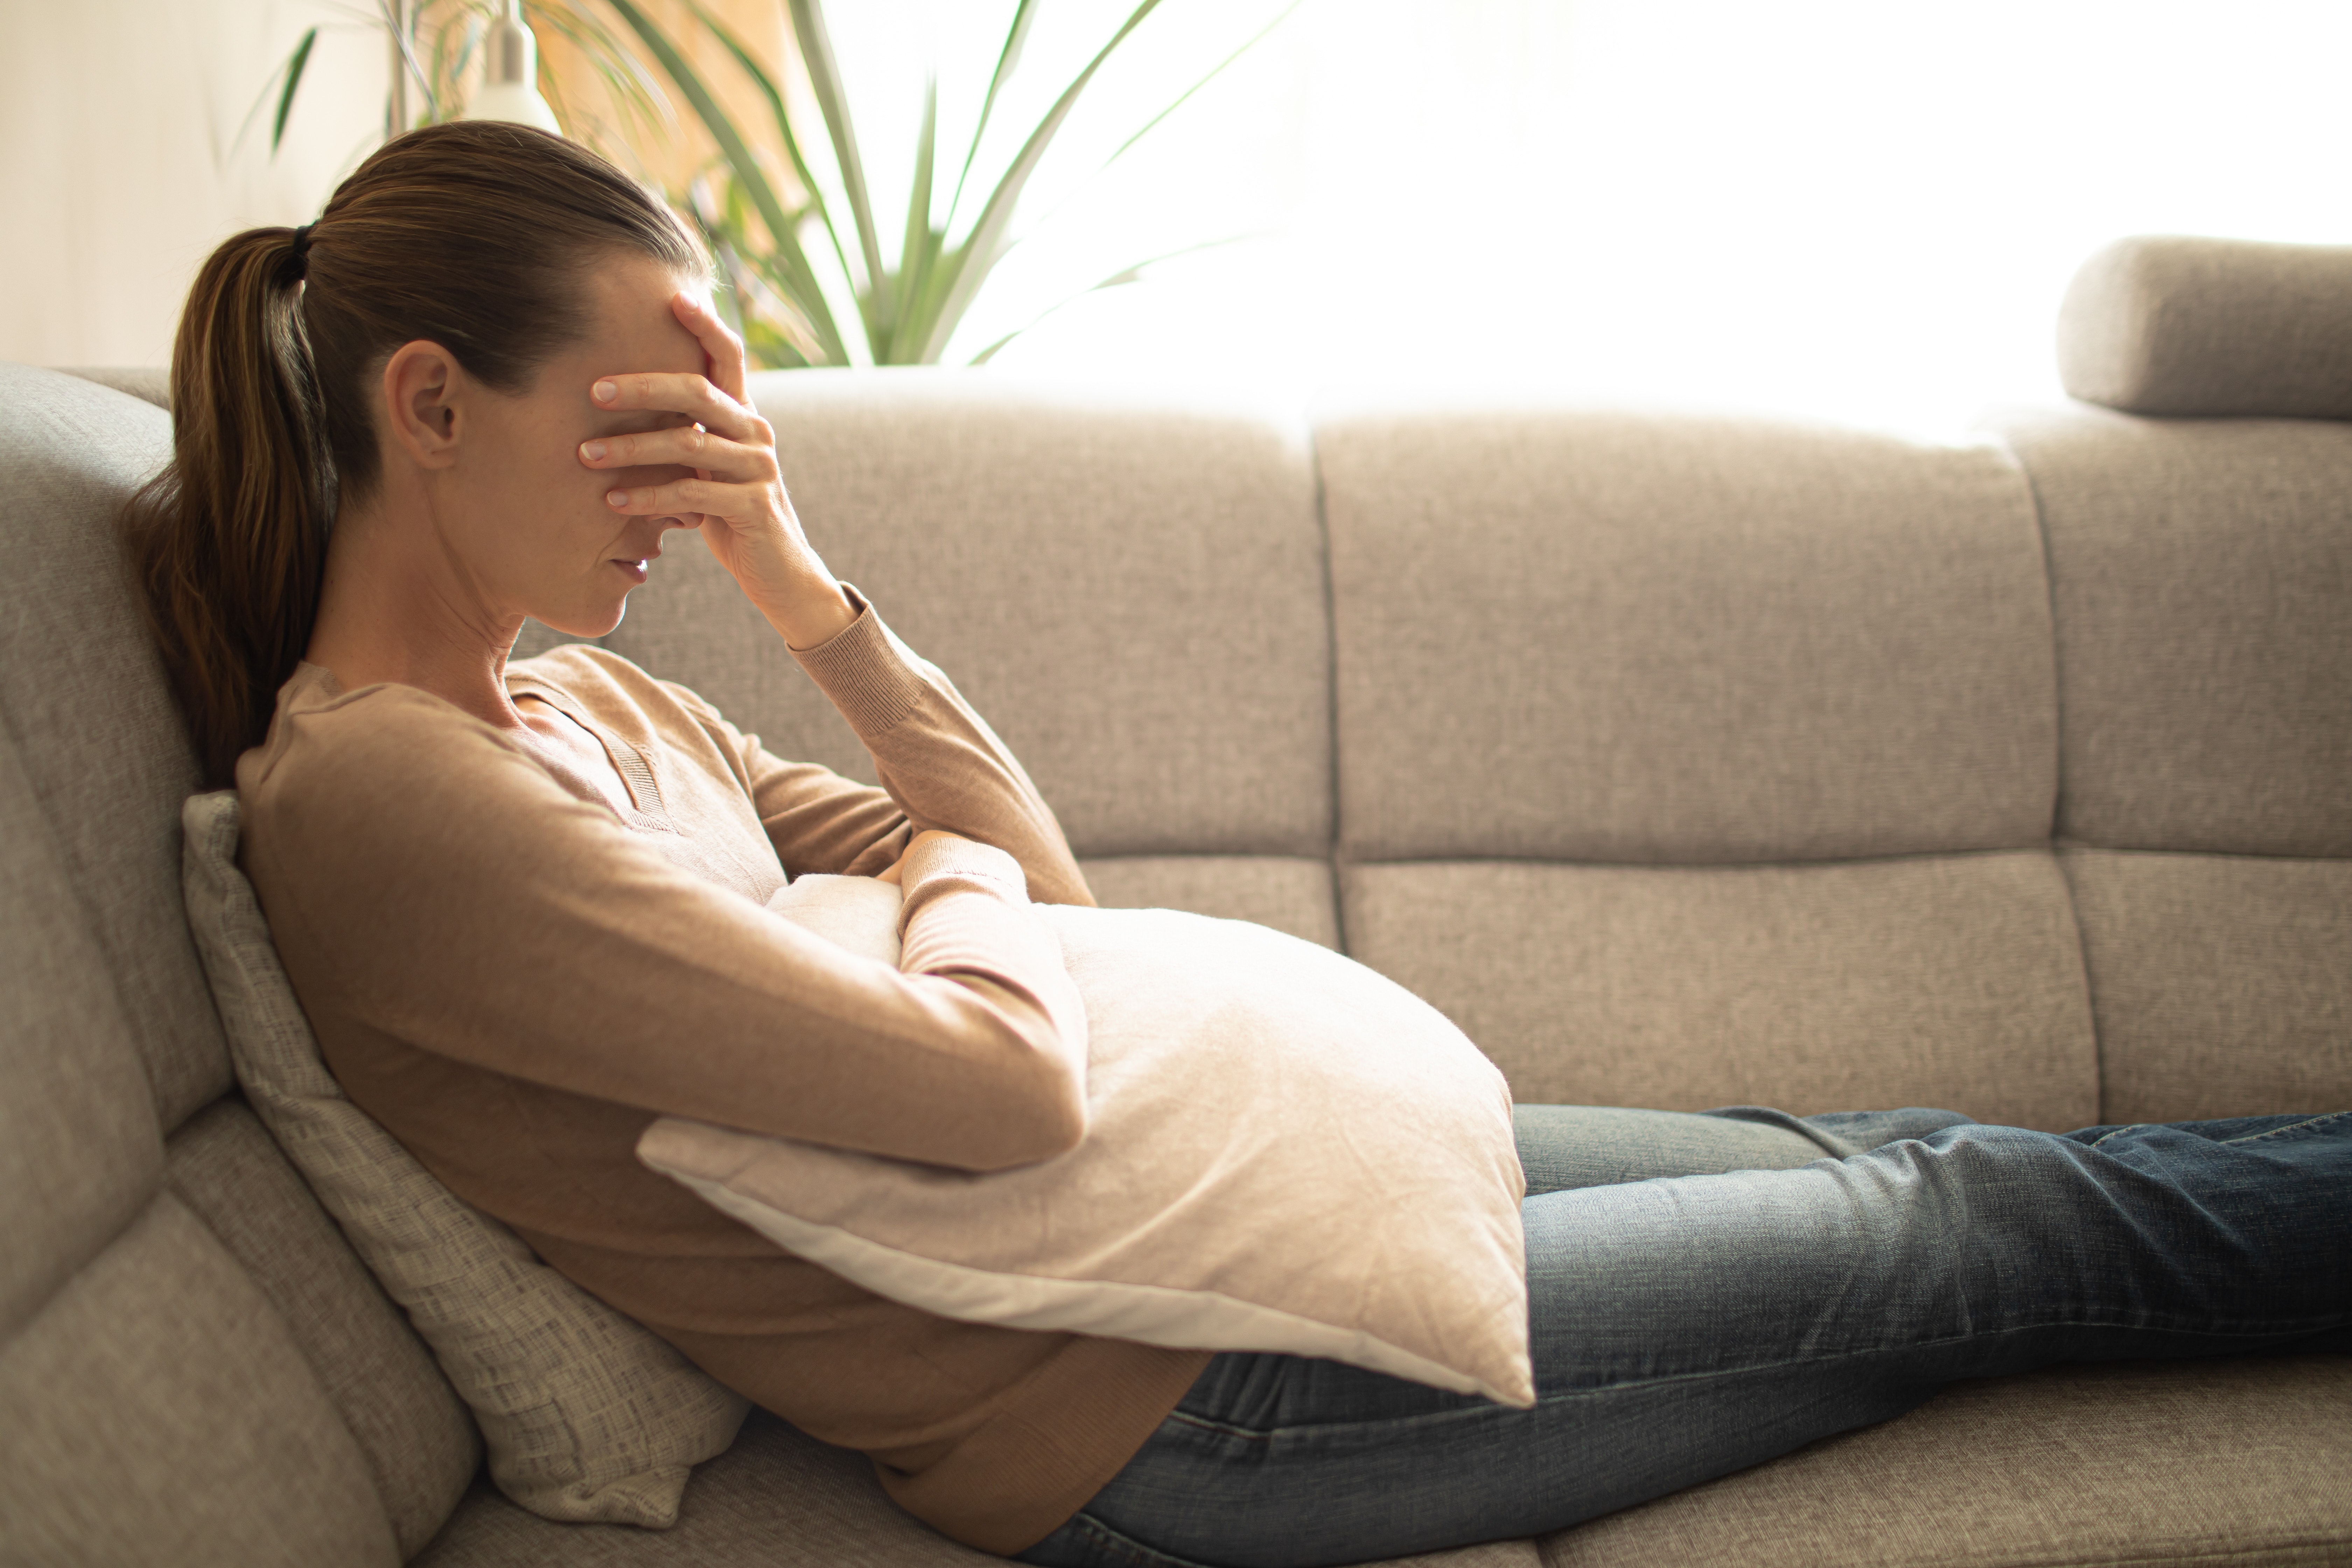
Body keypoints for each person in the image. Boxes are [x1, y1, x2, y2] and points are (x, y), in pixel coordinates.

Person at [121, 121, 2348, 1568]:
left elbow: (1022, 892)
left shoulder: (586, 699)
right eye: (657, 418)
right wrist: (925, 903)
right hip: (1164, 1408)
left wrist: (808, 597)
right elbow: (1007, 1069)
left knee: (1906, 1151)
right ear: (430, 405)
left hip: (1185, 1243)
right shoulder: (393, 805)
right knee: (1961, 1232)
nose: (704, 470)